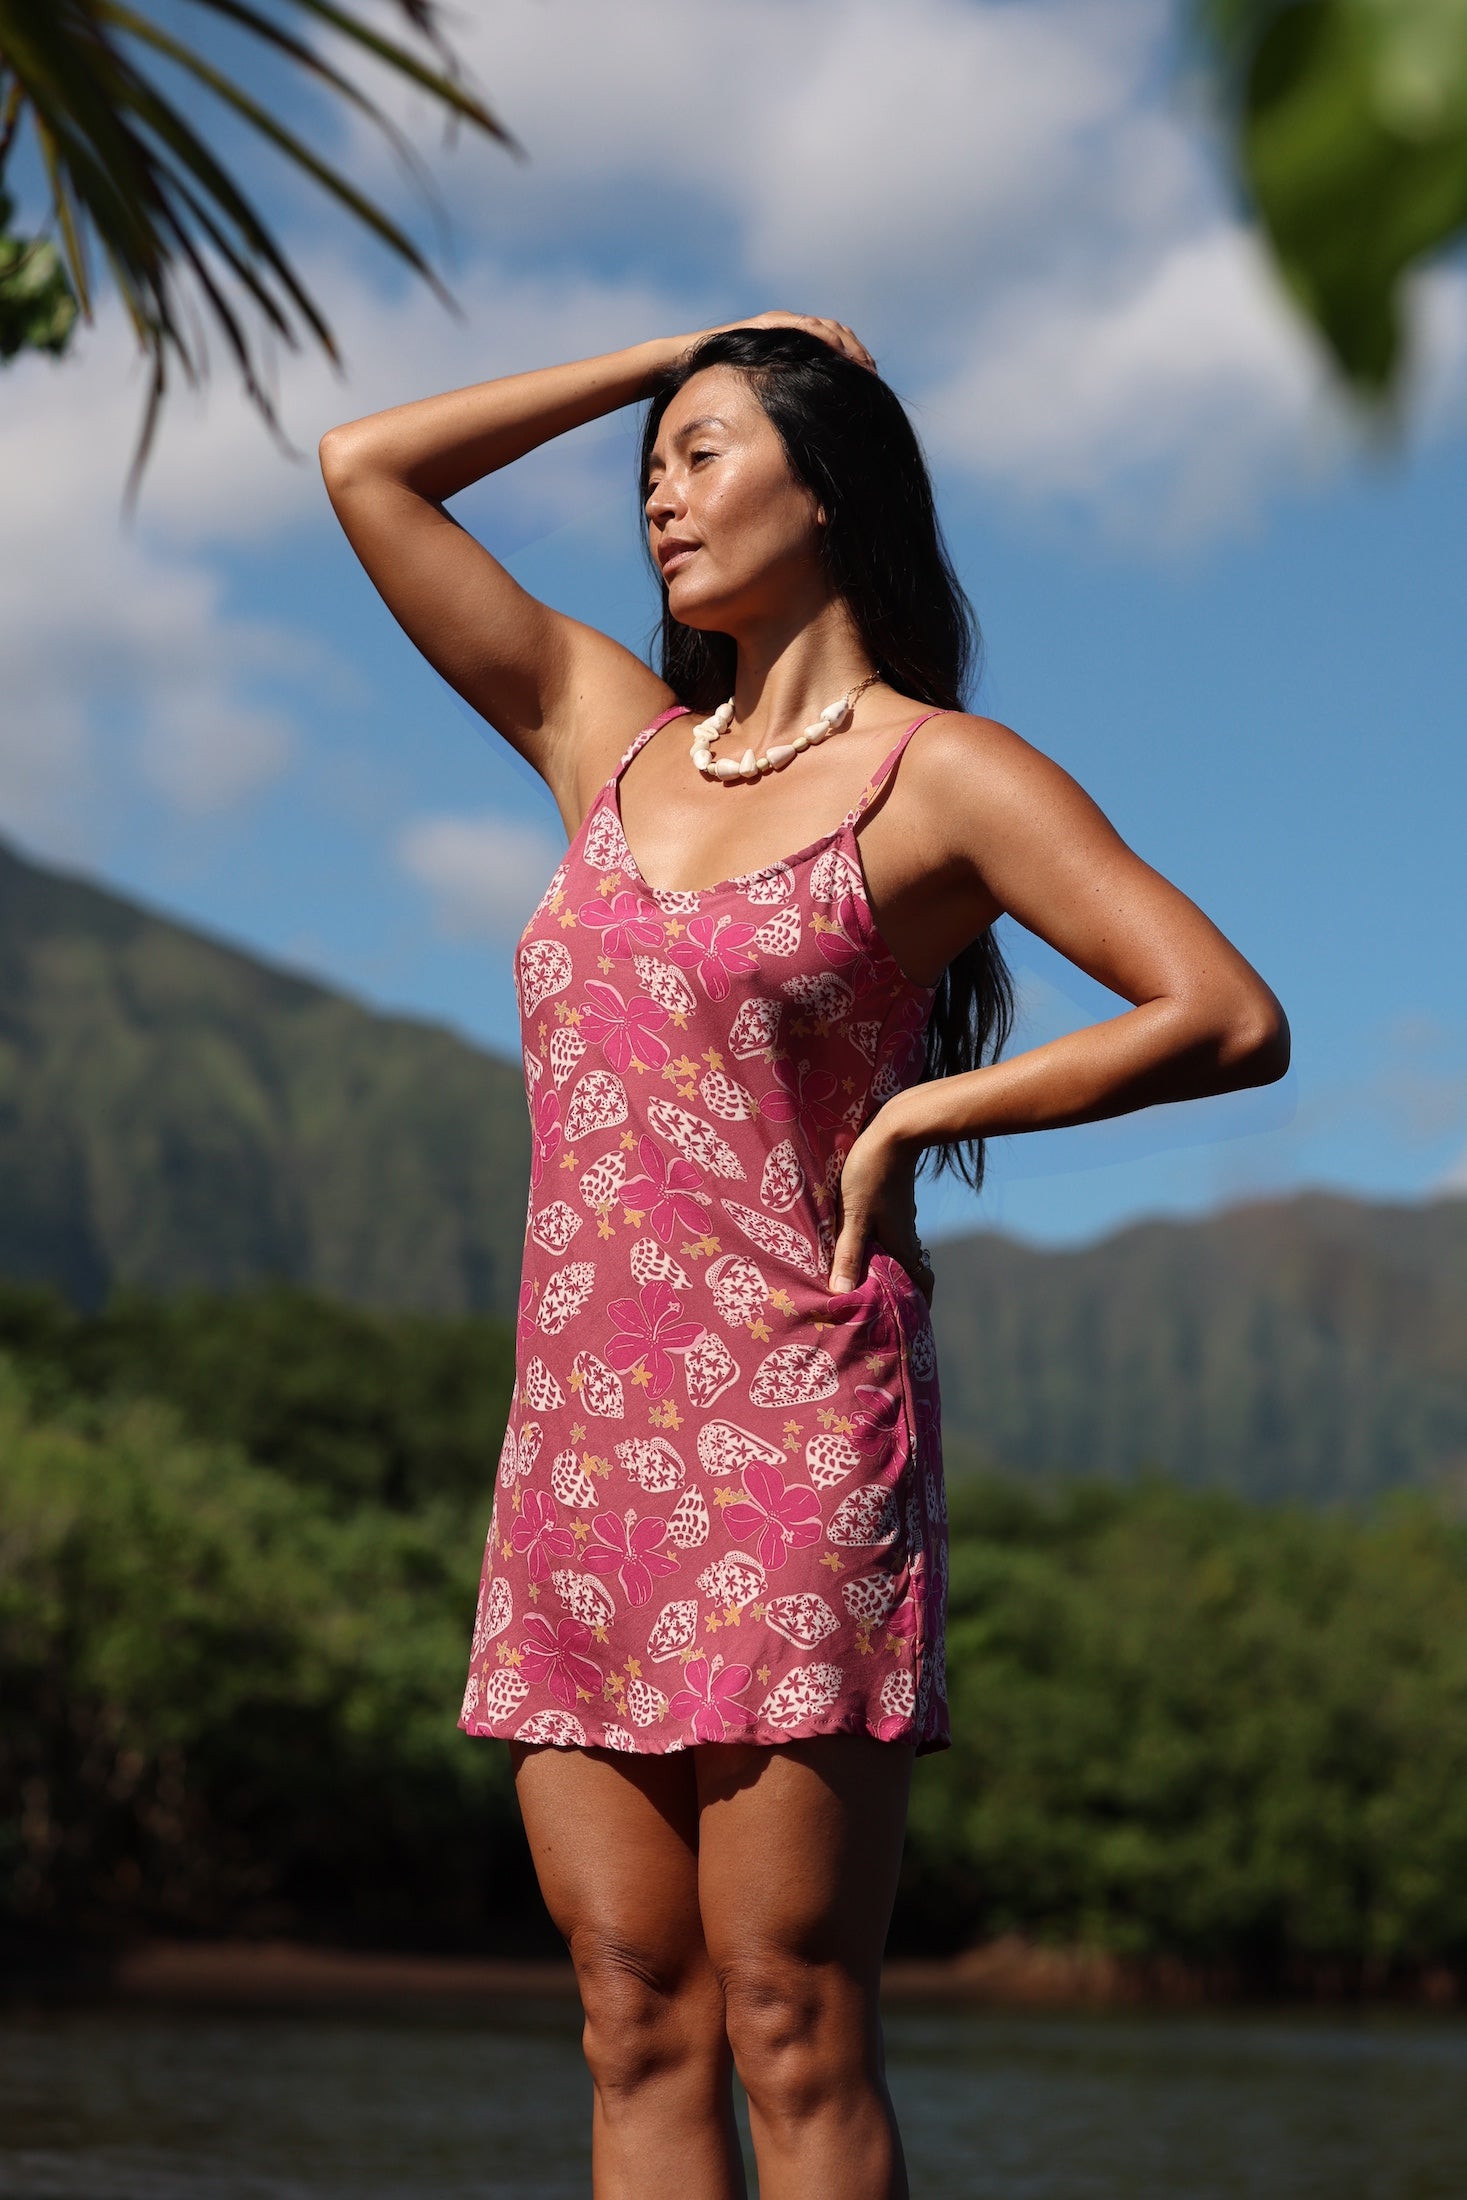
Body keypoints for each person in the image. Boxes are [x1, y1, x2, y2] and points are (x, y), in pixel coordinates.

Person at [320, 313, 1289, 2200]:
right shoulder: (606, 734)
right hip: (582, 1445)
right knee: (630, 2006)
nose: (660, 497)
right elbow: (371, 470)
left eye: (704, 452)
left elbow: (1225, 1013)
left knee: (789, 2014)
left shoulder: (942, 774)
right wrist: (672, 356)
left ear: (828, 487)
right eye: (650, 469)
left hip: (792, 1431)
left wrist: (925, 1114)